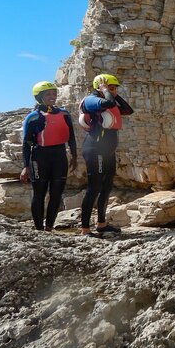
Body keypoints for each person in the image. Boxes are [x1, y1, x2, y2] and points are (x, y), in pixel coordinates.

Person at [79, 73, 134, 237]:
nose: (113, 90)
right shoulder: (91, 100)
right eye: (110, 87)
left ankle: (101, 224)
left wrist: (114, 94)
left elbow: (128, 110)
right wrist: (104, 90)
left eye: (115, 87)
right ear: (99, 87)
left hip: (108, 150)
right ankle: (85, 228)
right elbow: (108, 102)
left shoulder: (110, 99)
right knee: (94, 187)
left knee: (107, 186)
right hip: (95, 148)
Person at [20, 81, 77, 231]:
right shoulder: (33, 117)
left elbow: (71, 137)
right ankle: (39, 228)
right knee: (39, 194)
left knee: (56, 194)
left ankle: (49, 227)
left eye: (54, 93)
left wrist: (74, 157)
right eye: (48, 94)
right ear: (39, 97)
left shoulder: (64, 113)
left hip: (59, 156)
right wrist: (26, 166)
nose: (52, 97)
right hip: (39, 157)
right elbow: (26, 143)